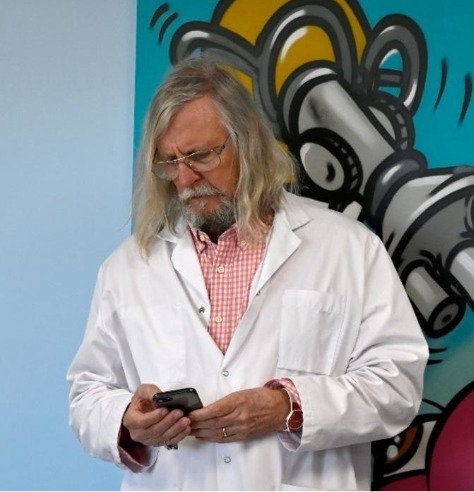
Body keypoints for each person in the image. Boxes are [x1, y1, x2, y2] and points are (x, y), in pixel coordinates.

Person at [67, 56, 429, 490]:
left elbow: (397, 384)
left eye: (200, 156)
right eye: (170, 161)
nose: (185, 178)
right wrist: (127, 419)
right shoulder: (127, 268)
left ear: (249, 139)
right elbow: (87, 395)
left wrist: (288, 407)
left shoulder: (349, 249)